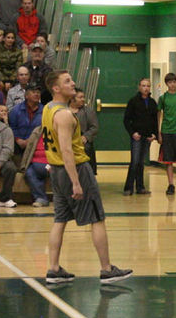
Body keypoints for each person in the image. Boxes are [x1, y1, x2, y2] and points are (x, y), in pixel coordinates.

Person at [42, 69, 133, 284]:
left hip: (56, 171)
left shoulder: (48, 109)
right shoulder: (64, 115)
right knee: (97, 217)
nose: (73, 83)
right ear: (56, 88)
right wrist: (76, 182)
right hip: (75, 169)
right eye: (67, 81)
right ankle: (106, 269)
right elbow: (66, 150)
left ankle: (53, 268)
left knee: (60, 218)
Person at [123, 78, 158, 195]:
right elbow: (126, 120)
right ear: (139, 87)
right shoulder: (133, 102)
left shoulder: (153, 103)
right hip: (137, 136)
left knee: (141, 162)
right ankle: (128, 188)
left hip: (148, 137)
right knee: (135, 161)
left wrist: (155, 135)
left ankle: (140, 187)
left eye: (148, 86)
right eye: (143, 85)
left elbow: (155, 120)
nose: (146, 88)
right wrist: (133, 133)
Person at [9, 84, 43, 159]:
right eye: (33, 92)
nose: (36, 94)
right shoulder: (16, 110)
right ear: (26, 96)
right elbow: (12, 127)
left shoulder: (44, 111)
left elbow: (43, 129)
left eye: (38, 92)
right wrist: (18, 139)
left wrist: (30, 140)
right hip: (17, 143)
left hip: (35, 143)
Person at [69, 88, 99, 175]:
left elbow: (94, 127)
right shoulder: (63, 110)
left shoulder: (88, 111)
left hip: (82, 138)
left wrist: (85, 136)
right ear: (72, 98)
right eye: (80, 97)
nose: (83, 99)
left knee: (87, 148)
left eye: (83, 97)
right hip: (67, 138)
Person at [22, 126, 49, 207]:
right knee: (29, 172)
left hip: (51, 163)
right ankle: (41, 198)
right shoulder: (37, 130)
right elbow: (29, 149)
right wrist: (24, 164)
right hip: (34, 162)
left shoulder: (58, 130)